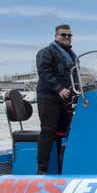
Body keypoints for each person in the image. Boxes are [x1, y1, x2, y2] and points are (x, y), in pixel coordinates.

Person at [35, 24, 78, 174]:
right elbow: (44, 72)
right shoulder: (46, 52)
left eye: (69, 35)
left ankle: (62, 168)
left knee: (64, 132)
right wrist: (58, 88)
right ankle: (42, 170)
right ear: (56, 36)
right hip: (48, 97)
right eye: (63, 35)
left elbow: (75, 77)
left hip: (66, 100)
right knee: (48, 131)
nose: (66, 37)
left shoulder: (73, 56)